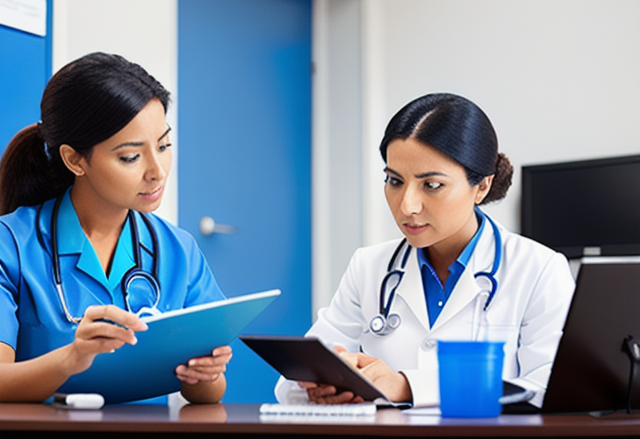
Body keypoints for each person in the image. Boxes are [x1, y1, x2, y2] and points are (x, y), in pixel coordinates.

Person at [274, 93, 575, 409]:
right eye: (394, 181)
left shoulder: (539, 269)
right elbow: (292, 383)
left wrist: (407, 387)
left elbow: (547, 390)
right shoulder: (369, 267)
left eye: (431, 185)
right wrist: (324, 382)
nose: (407, 205)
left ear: (482, 186)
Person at [0, 52, 231, 404]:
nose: (157, 170)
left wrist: (206, 373)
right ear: (75, 159)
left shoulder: (178, 250)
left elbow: (209, 394)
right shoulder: (10, 244)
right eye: (130, 156)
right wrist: (71, 358)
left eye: (164, 145)